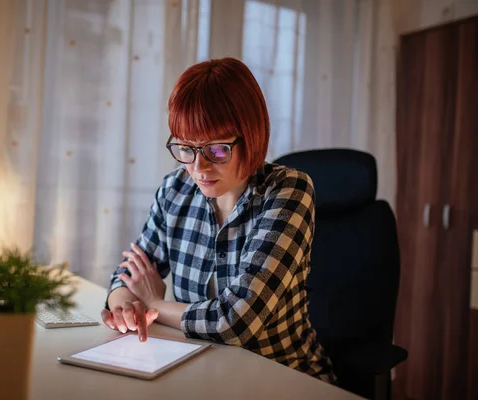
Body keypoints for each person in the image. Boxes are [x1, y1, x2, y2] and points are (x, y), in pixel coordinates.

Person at [100, 57, 336, 383]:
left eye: (218, 150)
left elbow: (236, 321)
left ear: (250, 136)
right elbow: (128, 274)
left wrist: (154, 302)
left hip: (283, 379)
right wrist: (127, 307)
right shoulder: (175, 189)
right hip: (199, 371)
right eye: (185, 148)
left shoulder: (288, 191)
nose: (199, 167)